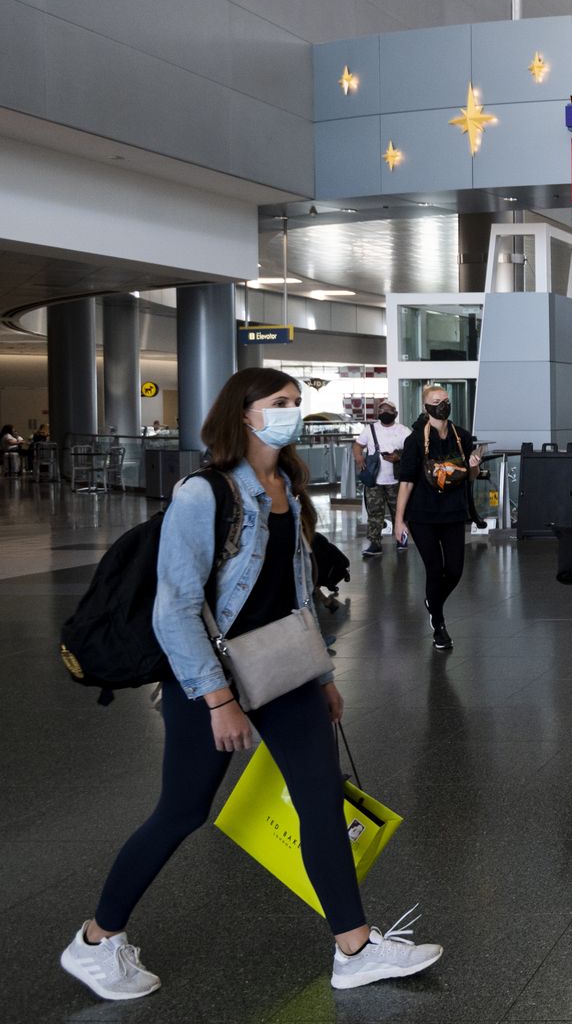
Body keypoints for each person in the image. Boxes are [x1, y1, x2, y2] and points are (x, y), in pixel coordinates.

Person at [59, 368, 442, 1001]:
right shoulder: (202, 494)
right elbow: (174, 609)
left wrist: (319, 674)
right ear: (245, 413)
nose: (291, 412)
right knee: (181, 812)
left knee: (321, 799)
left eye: (297, 402)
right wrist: (218, 700)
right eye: (279, 404)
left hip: (284, 668)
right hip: (211, 679)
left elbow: (296, 597)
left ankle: (354, 946)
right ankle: (97, 940)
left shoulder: (288, 483)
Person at [393, 386, 482, 652]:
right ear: (425, 407)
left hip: (454, 513)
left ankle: (433, 601)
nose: (441, 405)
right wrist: (399, 520)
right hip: (423, 515)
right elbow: (406, 482)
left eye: (445, 401)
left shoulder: (461, 436)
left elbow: (470, 476)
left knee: (454, 570)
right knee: (434, 569)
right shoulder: (416, 440)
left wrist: (474, 465)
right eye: (435, 401)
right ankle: (439, 625)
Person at [353, 400, 409, 558]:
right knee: (374, 513)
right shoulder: (370, 429)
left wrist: (398, 456)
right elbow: (357, 445)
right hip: (374, 480)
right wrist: (358, 457)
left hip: (397, 482)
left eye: (388, 410)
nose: (384, 412)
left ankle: (401, 539)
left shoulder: (403, 430)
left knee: (399, 512)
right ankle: (375, 543)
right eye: (381, 410)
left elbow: (413, 450)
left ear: (395, 413)